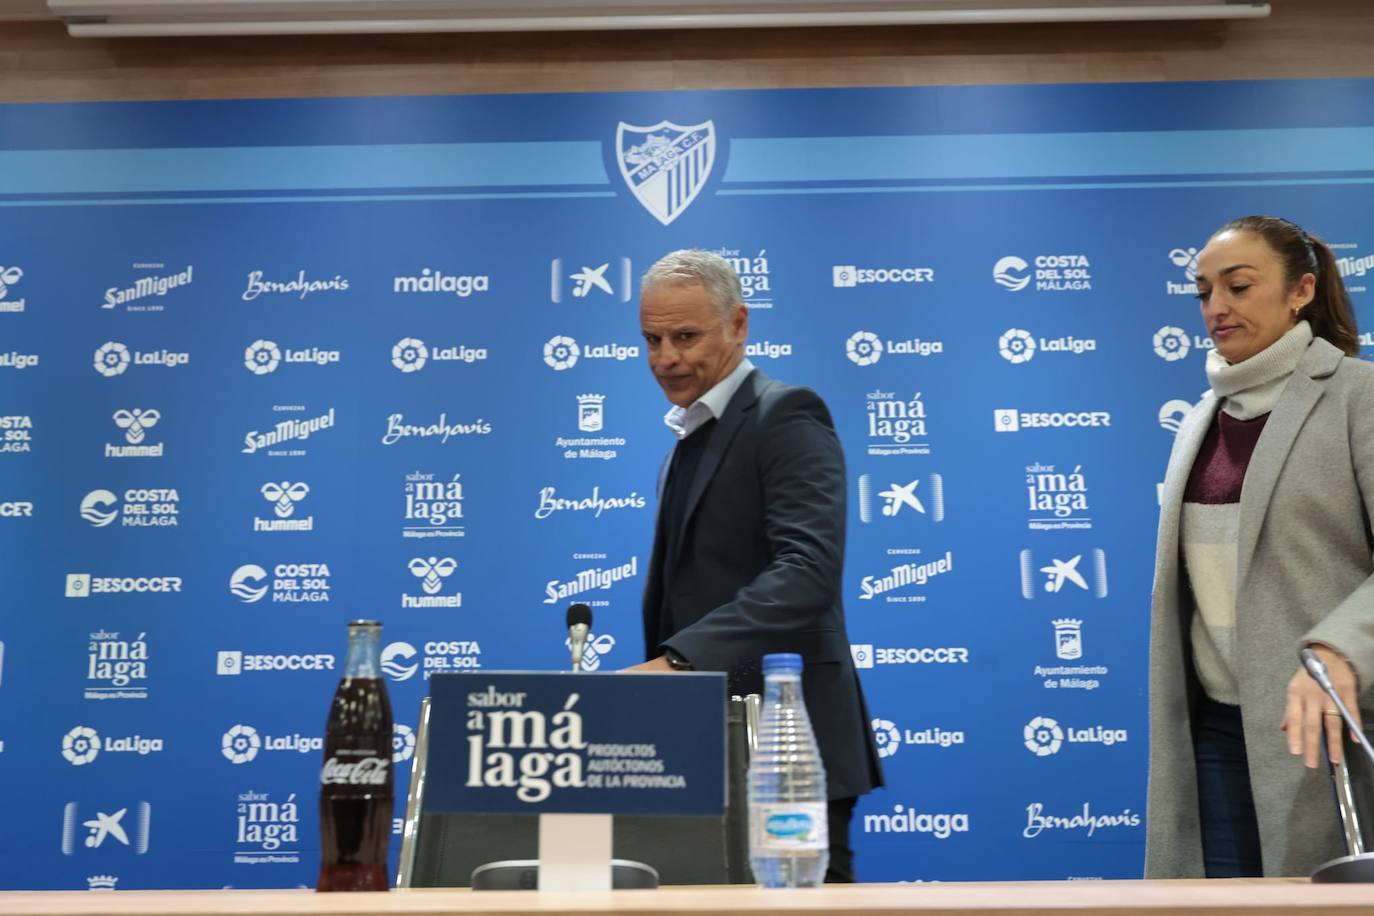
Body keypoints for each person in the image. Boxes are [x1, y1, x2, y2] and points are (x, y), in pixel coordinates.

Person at [621, 248, 883, 882]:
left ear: (738, 324)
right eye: (651, 339)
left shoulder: (786, 415)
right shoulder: (692, 433)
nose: (665, 358)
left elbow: (807, 572)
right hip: (707, 746)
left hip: (786, 746)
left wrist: (678, 661)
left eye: (685, 336)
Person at [1147, 215, 1373, 878]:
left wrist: (1339, 649)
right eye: (1204, 292)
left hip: (1332, 729)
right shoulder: (1201, 419)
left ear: (1301, 290)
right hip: (1216, 730)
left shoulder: (1359, 396)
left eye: (1239, 287)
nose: (1217, 307)